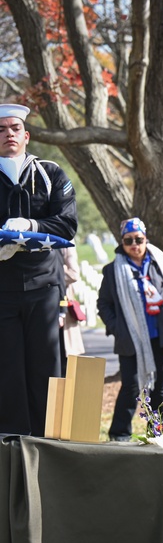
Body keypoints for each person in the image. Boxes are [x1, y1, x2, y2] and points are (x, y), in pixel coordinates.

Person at [0, 103, 78, 436]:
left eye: (14, 128)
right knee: (7, 370)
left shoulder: (50, 173)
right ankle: (11, 445)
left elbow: (67, 224)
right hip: (2, 290)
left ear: (26, 135)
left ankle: (49, 443)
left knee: (47, 368)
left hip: (44, 286)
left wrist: (31, 225)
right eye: (1, 130)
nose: (8, 135)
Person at [98, 218, 163, 441]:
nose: (134, 245)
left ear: (146, 239)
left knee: (160, 387)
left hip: (161, 336)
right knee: (131, 387)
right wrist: (117, 327)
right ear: (122, 243)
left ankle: (157, 433)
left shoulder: (161, 265)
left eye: (139, 239)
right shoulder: (113, 271)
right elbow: (103, 304)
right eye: (129, 241)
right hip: (130, 340)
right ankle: (119, 433)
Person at [59, 246, 86, 373]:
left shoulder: (66, 243)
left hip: (64, 309)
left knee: (66, 366)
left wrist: (50, 270)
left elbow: (73, 273)